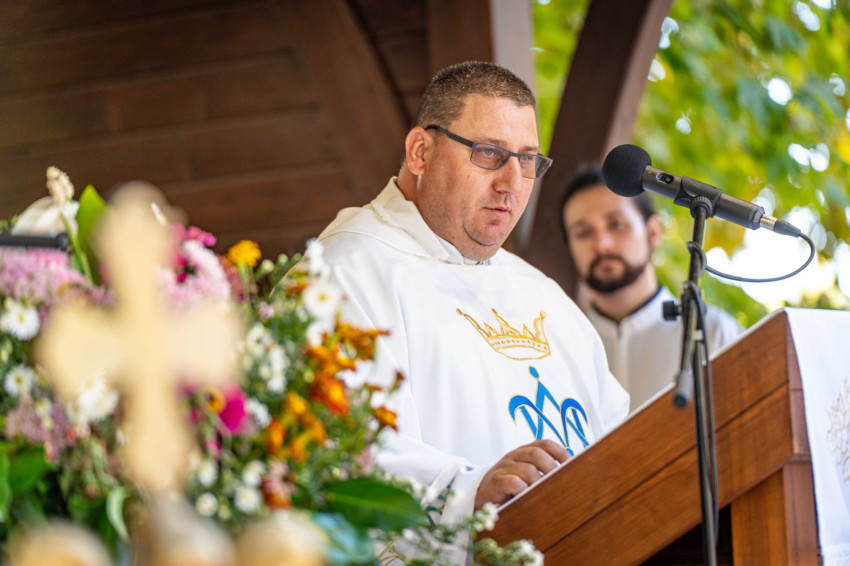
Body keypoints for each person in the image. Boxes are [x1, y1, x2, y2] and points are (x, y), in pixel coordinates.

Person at [312, 61, 629, 547]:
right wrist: (469, 494)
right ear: (420, 152)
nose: (512, 182)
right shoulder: (342, 275)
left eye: (527, 160)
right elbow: (331, 454)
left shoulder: (544, 296)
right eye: (489, 154)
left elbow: (621, 446)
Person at [560, 167, 743, 414]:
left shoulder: (713, 334)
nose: (602, 244)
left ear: (653, 233)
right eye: (583, 233)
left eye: (616, 224)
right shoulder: (563, 345)